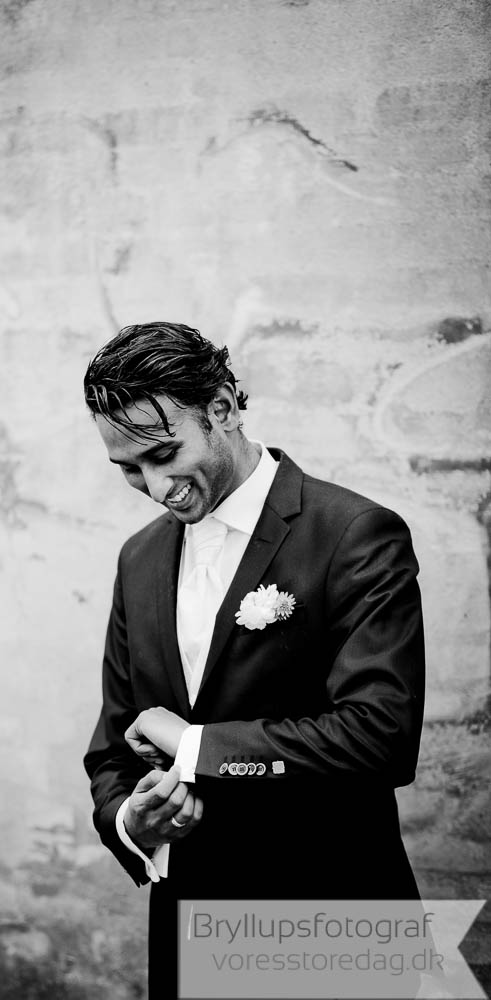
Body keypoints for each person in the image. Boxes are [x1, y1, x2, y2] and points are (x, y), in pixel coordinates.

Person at [82, 321, 425, 998]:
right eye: (128, 468)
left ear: (222, 409)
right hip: (191, 928)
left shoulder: (354, 533)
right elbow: (114, 745)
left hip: (331, 914)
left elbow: (380, 737)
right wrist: (130, 821)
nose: (155, 485)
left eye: (163, 453)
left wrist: (194, 748)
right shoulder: (138, 558)